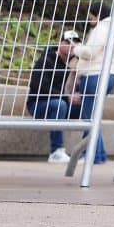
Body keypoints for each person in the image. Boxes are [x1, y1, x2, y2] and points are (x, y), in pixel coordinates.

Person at [70, 3, 114, 167]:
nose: (90, 19)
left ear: (98, 15)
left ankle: (91, 156)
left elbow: (90, 52)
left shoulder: (101, 29)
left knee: (89, 118)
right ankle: (99, 155)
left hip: (94, 75)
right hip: (109, 76)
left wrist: (76, 49)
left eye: (91, 16)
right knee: (94, 118)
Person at [25, 30, 79, 164]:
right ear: (60, 43)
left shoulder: (73, 64)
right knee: (59, 104)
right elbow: (40, 88)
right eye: (68, 42)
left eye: (75, 42)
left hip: (60, 105)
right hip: (38, 105)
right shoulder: (46, 60)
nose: (72, 45)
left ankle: (85, 151)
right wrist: (67, 97)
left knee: (84, 106)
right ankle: (56, 151)